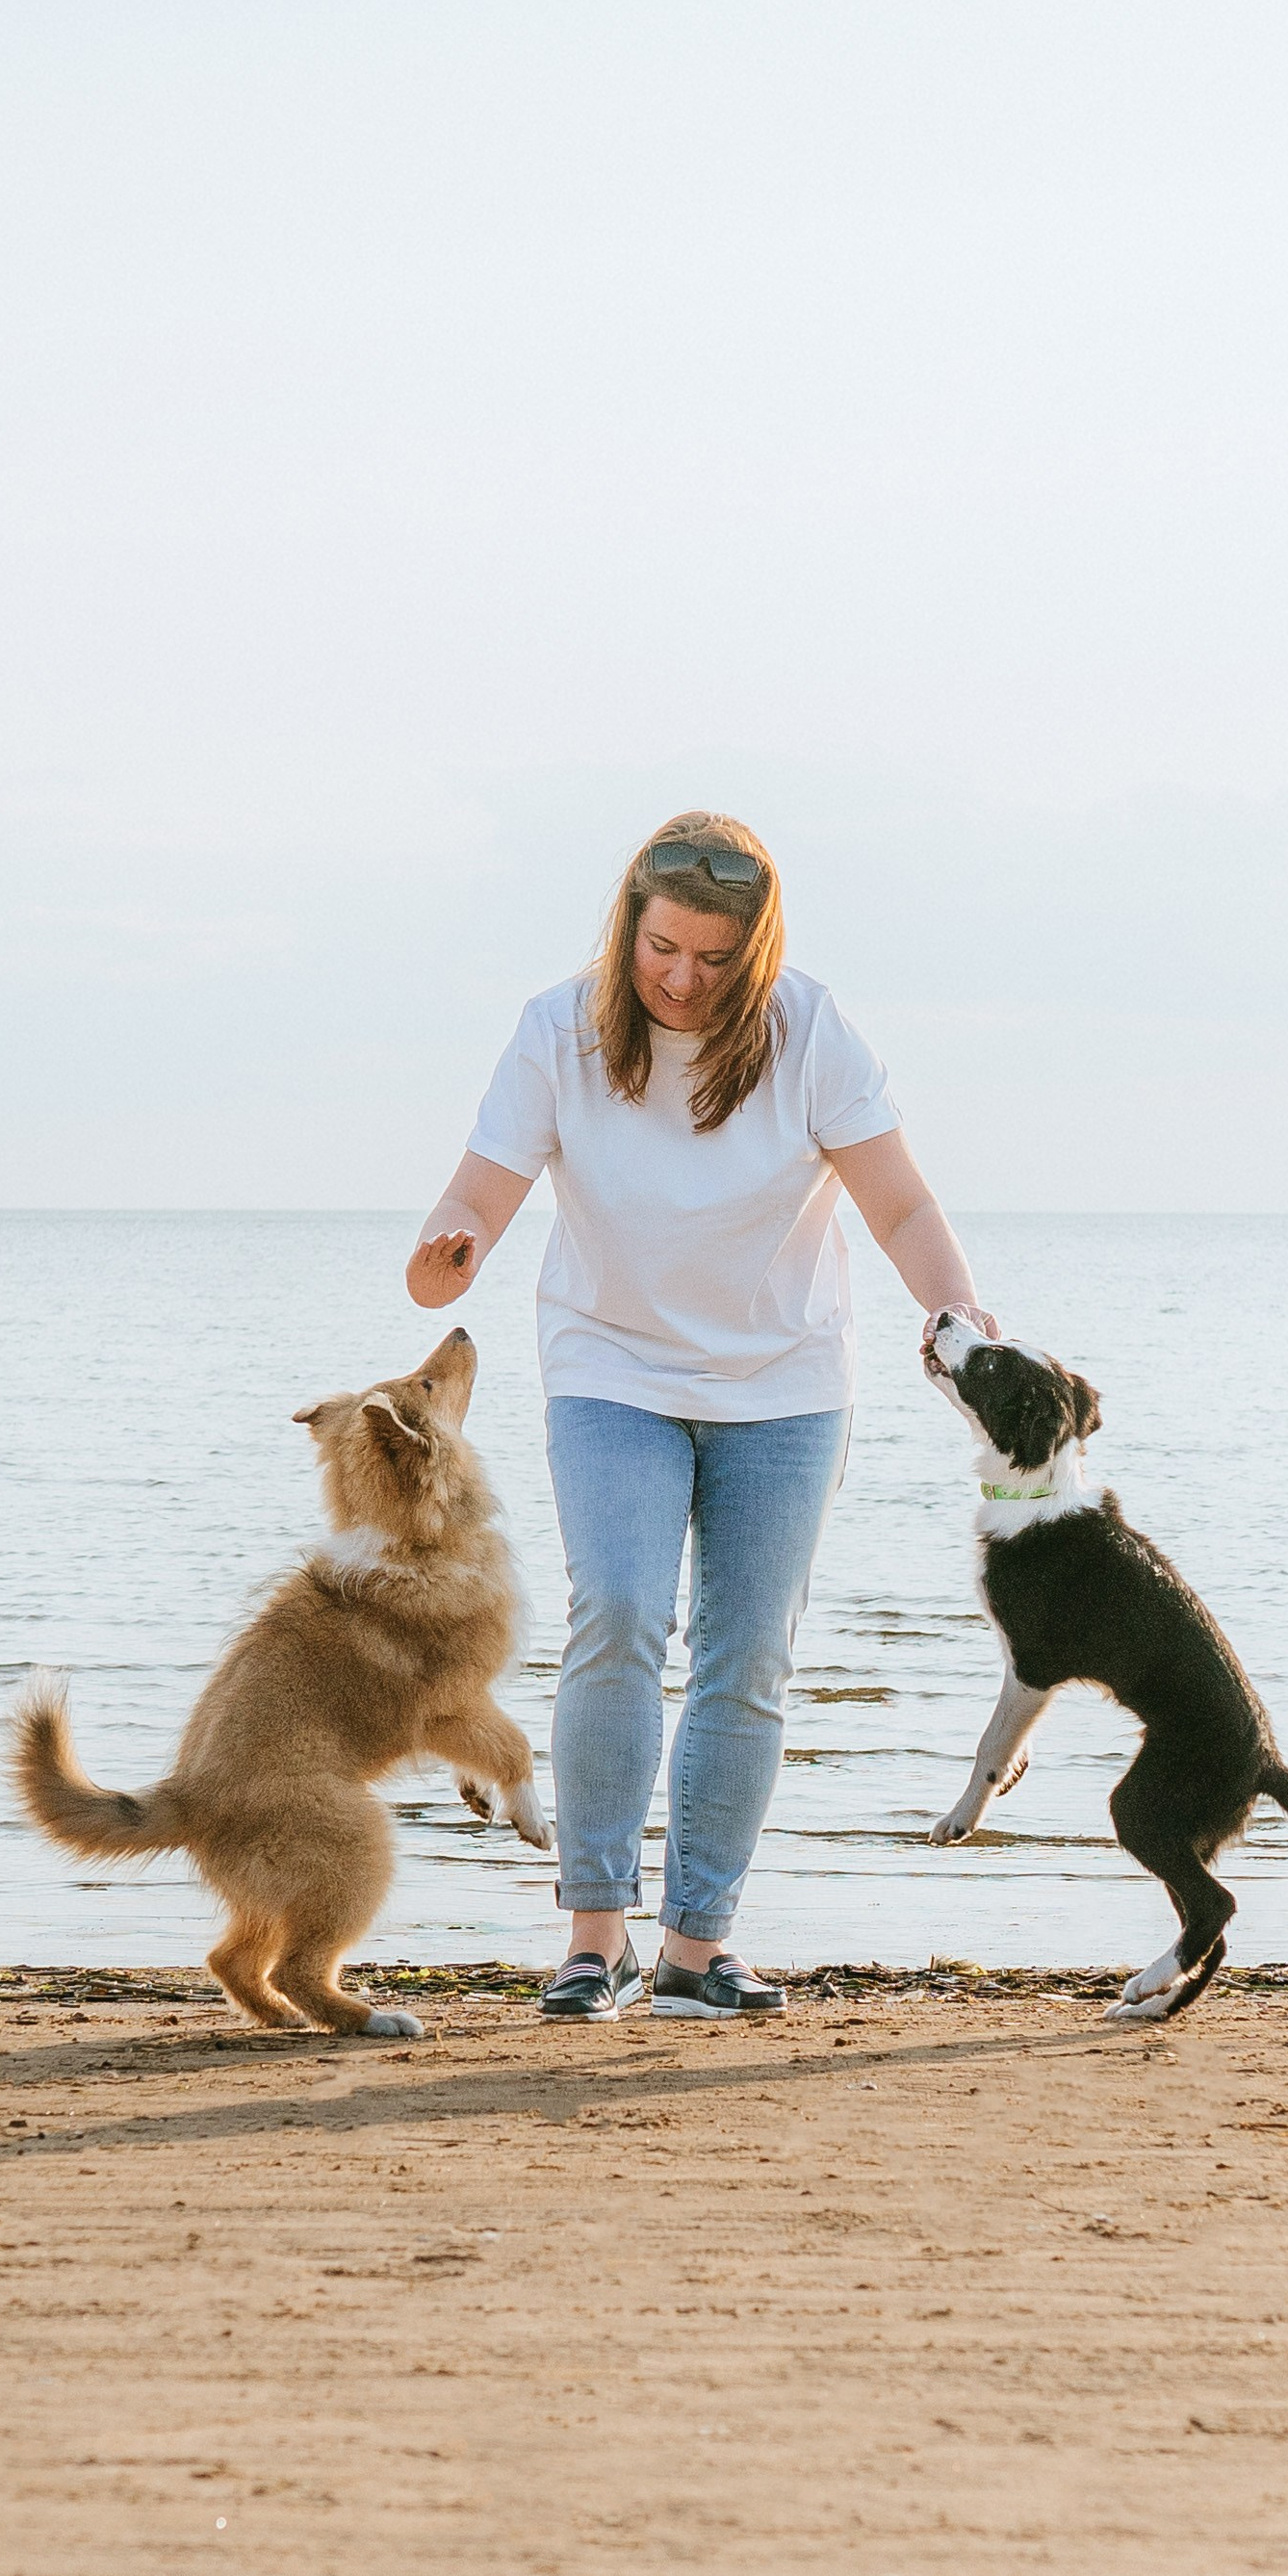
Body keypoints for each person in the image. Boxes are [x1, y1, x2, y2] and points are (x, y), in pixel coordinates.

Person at [405, 811, 1000, 2021]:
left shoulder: (810, 1032)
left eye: (716, 959)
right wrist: (447, 1252)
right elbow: (474, 1196)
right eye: (663, 947)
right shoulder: (559, 1030)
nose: (683, 978)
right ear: (630, 924)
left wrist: (957, 1316)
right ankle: (595, 1938)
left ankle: (694, 1948)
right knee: (617, 1612)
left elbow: (896, 1206)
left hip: (783, 1385)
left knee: (747, 1656)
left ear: (758, 954)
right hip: (611, 1366)